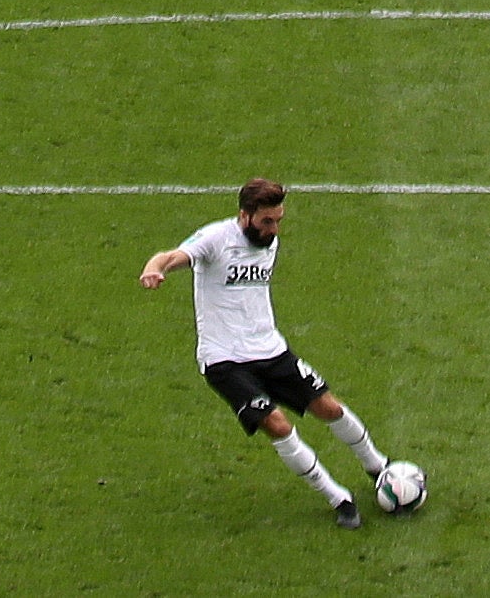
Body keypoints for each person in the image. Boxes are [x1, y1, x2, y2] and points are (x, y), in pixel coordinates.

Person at [141, 181, 408, 527]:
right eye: (267, 221)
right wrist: (154, 268)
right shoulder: (215, 239)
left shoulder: (269, 241)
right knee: (277, 424)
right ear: (244, 215)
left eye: (278, 220)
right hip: (224, 360)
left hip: (270, 349)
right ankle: (338, 498)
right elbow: (171, 256)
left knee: (330, 407)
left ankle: (377, 466)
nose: (274, 229)